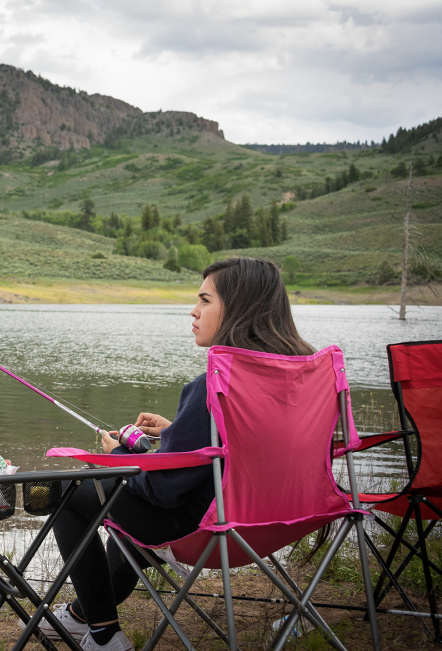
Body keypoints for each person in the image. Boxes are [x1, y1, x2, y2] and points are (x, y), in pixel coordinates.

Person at [36, 257, 314, 651]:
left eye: (204, 300)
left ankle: (102, 634)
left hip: (205, 530)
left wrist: (118, 456)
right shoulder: (301, 377)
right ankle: (83, 613)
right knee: (122, 507)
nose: (193, 311)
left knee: (71, 494)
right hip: (278, 522)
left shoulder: (215, 383)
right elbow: (256, 448)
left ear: (237, 308)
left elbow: (163, 492)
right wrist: (178, 435)